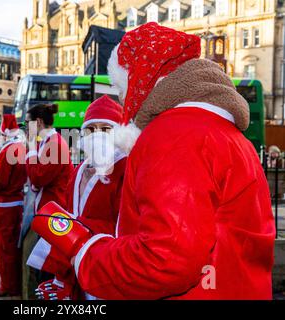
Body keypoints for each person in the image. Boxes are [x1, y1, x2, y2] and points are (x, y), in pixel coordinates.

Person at [33, 22, 275, 300]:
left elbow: (165, 260)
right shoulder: (224, 132)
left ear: (137, 79)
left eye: (120, 85)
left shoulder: (173, 135)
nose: (122, 100)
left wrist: (86, 253)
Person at [27, 95, 127, 300]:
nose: (97, 135)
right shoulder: (80, 169)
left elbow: (125, 228)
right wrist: (62, 278)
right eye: (91, 129)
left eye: (105, 129)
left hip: (108, 268)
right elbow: (70, 221)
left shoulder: (126, 168)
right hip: (75, 264)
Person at [23, 104, 74, 299]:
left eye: (28, 123)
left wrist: (30, 148)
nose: (26, 127)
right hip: (49, 210)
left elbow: (37, 177)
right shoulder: (48, 142)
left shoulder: (54, 144)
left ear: (39, 123)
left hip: (54, 212)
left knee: (48, 268)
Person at [0, 115, 27, 298]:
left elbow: (1, 180)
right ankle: (15, 284)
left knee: (4, 248)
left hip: (3, 204)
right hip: (16, 202)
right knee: (13, 246)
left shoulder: (7, 151)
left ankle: (8, 286)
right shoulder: (21, 148)